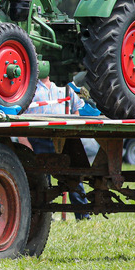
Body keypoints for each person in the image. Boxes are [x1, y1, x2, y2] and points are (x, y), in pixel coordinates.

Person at [21, 61, 91, 220]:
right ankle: (56, 215)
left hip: (54, 138)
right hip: (43, 138)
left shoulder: (62, 89)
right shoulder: (33, 91)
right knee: (55, 178)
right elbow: (77, 114)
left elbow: (77, 111)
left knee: (65, 177)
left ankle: (77, 214)